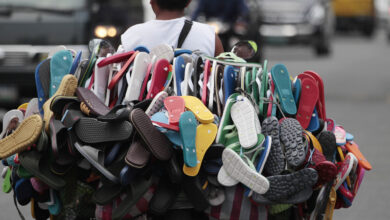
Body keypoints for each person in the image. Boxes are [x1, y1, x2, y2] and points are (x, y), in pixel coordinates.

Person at [121, 0, 224, 57]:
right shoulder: (209, 35)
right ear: (188, 2)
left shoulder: (131, 35)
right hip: (192, 97)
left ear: (152, 2)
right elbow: (223, 81)